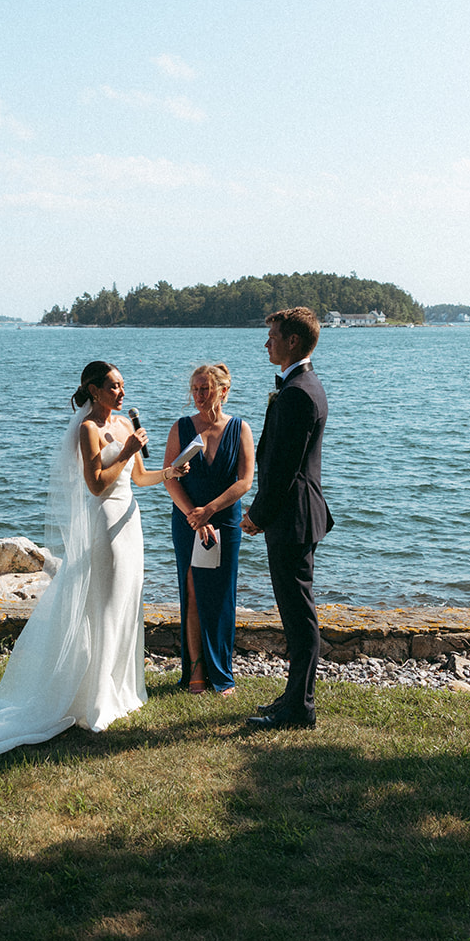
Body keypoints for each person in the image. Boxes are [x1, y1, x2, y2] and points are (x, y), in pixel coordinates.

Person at [0, 361, 186, 770]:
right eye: (114, 387)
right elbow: (97, 484)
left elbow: (138, 478)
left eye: (123, 386)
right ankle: (93, 698)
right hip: (104, 522)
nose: (122, 392)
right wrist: (129, 451)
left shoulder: (123, 425)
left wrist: (168, 470)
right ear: (94, 390)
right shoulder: (87, 430)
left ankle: (121, 690)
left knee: (125, 604)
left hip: (130, 521)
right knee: (102, 606)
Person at [241, 307, 333, 730]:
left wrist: (257, 515)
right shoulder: (302, 384)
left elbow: (284, 468)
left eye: (273, 336)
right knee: (296, 613)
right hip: (296, 514)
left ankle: (300, 709)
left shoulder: (298, 391)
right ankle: (294, 698)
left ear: (292, 340)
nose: (267, 343)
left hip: (292, 517)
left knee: (299, 616)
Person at [163, 363, 255, 696]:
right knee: (191, 591)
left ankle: (223, 673)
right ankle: (196, 671)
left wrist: (211, 510)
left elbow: (245, 480)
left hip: (224, 520)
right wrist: (193, 514)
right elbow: (168, 478)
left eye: (207, 388)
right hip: (188, 520)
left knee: (221, 595)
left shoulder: (240, 428)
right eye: (196, 389)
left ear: (223, 390)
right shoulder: (181, 427)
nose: (200, 395)